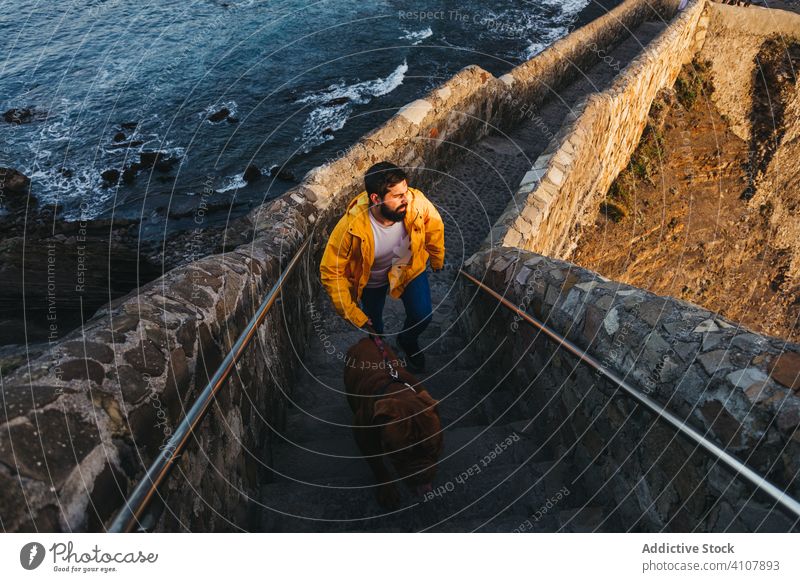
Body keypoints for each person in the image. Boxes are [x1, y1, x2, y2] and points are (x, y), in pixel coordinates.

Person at [319, 161, 445, 372]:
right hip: (370, 283)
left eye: (405, 191)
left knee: (422, 315)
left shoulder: (416, 202)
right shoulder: (350, 228)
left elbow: (434, 225)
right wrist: (353, 313)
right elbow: (332, 272)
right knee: (374, 325)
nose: (406, 199)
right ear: (376, 199)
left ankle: (407, 340)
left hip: (408, 269)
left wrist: (436, 257)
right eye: (397, 196)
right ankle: (382, 356)